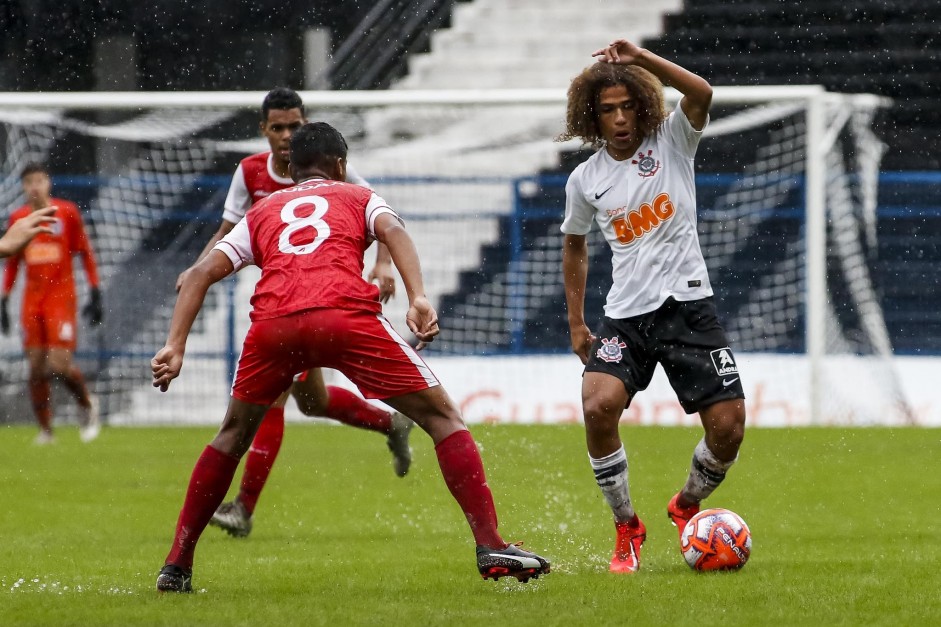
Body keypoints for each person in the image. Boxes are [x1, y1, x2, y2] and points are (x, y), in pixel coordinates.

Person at [151, 122, 551, 592]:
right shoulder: (357, 195)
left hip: (275, 325)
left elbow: (199, 274)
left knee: (232, 435)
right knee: (443, 418)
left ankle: (176, 564)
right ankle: (490, 543)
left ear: (293, 168)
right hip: (343, 315)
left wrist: (175, 345)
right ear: (339, 165)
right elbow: (395, 233)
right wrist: (417, 296)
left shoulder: (262, 212)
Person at [176, 88, 412, 539]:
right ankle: (390, 422)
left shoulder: (331, 168)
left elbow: (382, 214)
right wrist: (197, 271)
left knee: (275, 401)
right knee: (313, 401)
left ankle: (243, 507)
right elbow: (226, 230)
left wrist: (382, 265)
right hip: (280, 298)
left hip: (322, 299)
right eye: (278, 128)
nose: (287, 136)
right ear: (263, 130)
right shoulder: (248, 173)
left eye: (295, 127)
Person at [558, 39, 746, 573]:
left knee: (729, 427)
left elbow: (702, 91)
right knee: (597, 405)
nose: (620, 119)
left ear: (643, 104)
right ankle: (627, 528)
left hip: (691, 308)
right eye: (607, 110)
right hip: (627, 315)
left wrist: (641, 59)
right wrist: (576, 322)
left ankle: (686, 505)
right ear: (592, 117)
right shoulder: (586, 180)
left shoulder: (672, 139)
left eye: (627, 106)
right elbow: (574, 244)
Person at [1, 162, 103, 444]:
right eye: (29, 181)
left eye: (39, 180)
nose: (35, 186)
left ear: (49, 183)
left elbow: (85, 251)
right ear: (23, 187)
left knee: (57, 366)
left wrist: (95, 290)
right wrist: (4, 297)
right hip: (31, 301)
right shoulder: (18, 218)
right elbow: (12, 261)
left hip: (61, 299)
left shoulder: (67, 212)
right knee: (35, 368)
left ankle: (87, 405)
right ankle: (46, 431)